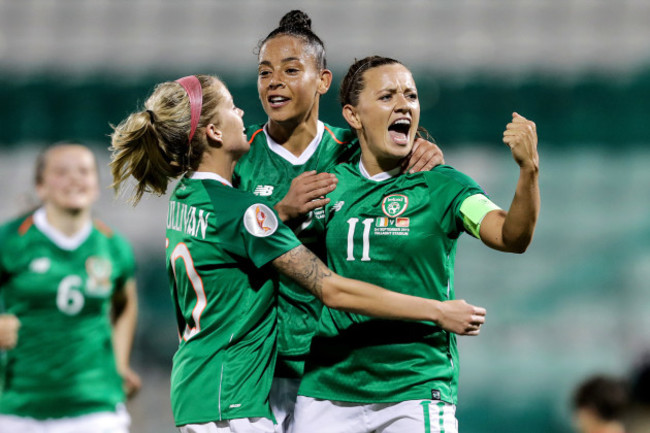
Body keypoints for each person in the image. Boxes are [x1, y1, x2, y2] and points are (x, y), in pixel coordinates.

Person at [109, 74, 485, 433]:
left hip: (197, 383)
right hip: (233, 396)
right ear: (214, 131)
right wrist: (437, 310)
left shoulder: (186, 198)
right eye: (232, 107)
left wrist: (416, 145)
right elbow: (332, 290)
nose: (242, 114)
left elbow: (236, 234)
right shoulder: (243, 213)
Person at [291, 56, 540, 433]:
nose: (404, 104)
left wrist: (528, 170)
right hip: (327, 388)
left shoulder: (443, 186)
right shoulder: (328, 184)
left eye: (411, 95)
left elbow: (510, 236)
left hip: (415, 387)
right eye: (387, 96)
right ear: (354, 115)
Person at [234, 11, 446, 430]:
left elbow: (400, 147)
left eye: (291, 69)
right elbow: (219, 249)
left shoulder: (350, 147)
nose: (274, 81)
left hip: (336, 366)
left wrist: (427, 151)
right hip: (262, 360)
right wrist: (280, 214)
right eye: (264, 72)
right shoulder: (240, 158)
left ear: (323, 81)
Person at [0, 143, 140, 433]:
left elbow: (126, 304)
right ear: (41, 187)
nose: (75, 179)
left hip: (95, 407)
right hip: (20, 407)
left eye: (84, 171)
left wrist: (120, 363)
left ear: (96, 186)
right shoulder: (11, 241)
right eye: (62, 172)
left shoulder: (113, 246)